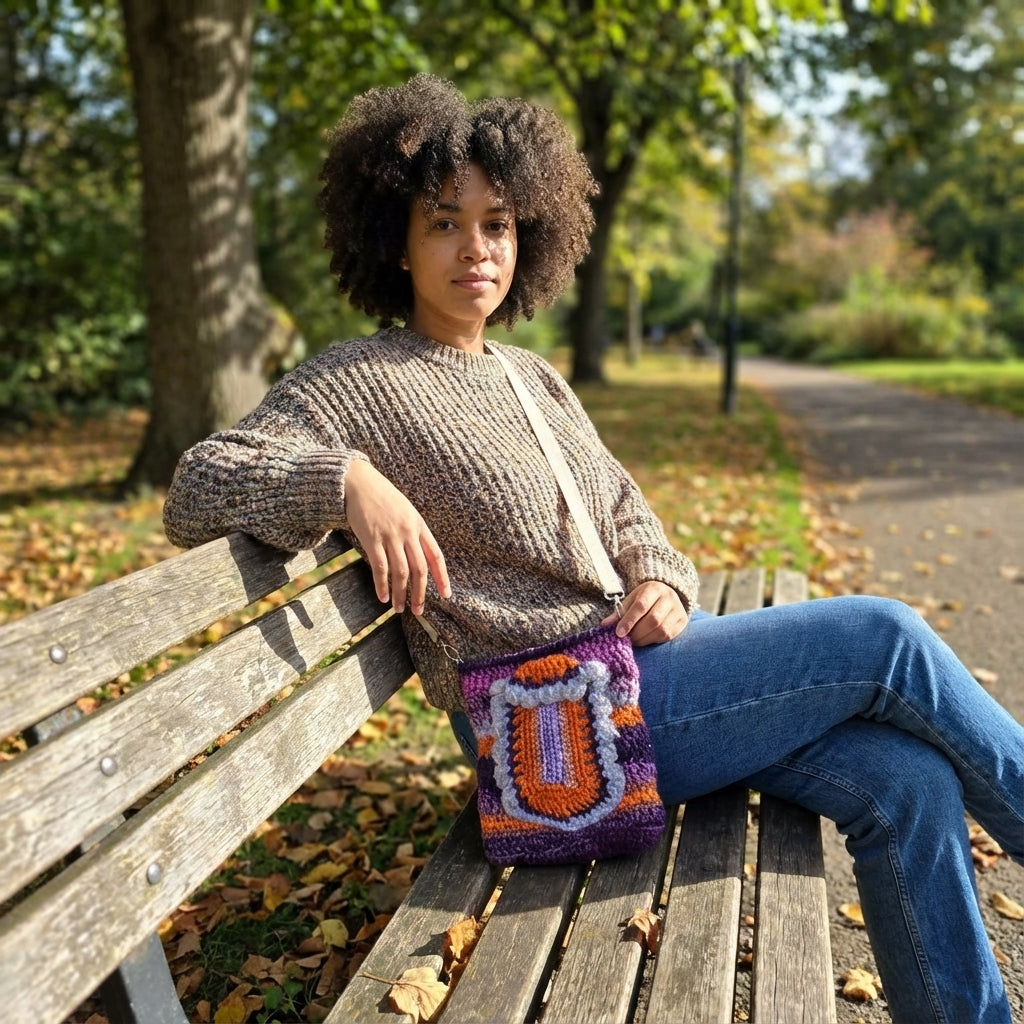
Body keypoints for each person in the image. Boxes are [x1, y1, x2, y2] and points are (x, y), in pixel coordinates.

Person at [163, 73, 1023, 1024]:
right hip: (559, 721)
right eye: (444, 222)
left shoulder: (529, 377)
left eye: (497, 224)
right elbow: (201, 481)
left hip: (645, 671)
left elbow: (624, 508)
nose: (475, 248)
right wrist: (345, 482)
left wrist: (660, 574)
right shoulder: (357, 382)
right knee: (887, 636)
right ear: (397, 243)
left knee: (909, 783)